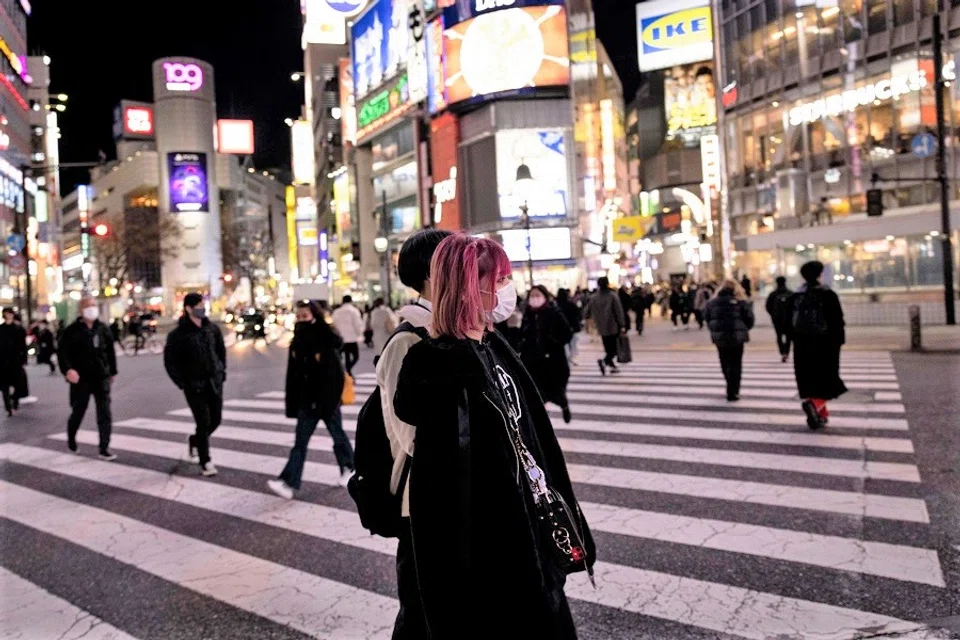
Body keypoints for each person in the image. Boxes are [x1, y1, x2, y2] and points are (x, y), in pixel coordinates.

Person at [392, 234, 594, 639]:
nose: (507, 288)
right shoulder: (436, 365)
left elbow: (532, 439)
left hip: (533, 534)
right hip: (493, 557)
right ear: (470, 286)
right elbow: (442, 486)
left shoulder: (493, 343)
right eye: (498, 280)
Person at [268, 300, 351, 498]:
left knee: (337, 436)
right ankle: (288, 482)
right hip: (307, 401)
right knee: (300, 442)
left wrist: (328, 401)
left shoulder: (324, 338)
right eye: (298, 316)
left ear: (314, 315)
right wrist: (294, 403)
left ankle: (350, 469)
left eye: (305, 316)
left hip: (326, 400)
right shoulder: (297, 340)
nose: (301, 319)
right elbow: (294, 376)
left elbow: (334, 374)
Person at [163, 293, 226, 477]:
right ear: (189, 308)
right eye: (198, 305)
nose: (202, 308)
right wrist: (181, 382)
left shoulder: (212, 329)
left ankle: (195, 440)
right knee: (203, 421)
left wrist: (222, 372)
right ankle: (205, 461)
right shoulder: (179, 334)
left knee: (216, 419)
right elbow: (170, 361)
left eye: (202, 304)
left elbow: (220, 352)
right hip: (194, 385)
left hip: (214, 382)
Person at [59, 296, 118, 460]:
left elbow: (110, 352)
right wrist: (68, 370)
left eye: (93, 305)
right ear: (80, 310)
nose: (91, 308)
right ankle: (71, 438)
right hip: (81, 378)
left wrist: (112, 371)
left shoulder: (103, 328)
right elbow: (63, 354)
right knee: (78, 410)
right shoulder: (71, 331)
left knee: (104, 412)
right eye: (87, 306)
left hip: (101, 376)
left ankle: (104, 447)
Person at [790, 261, 847, 430]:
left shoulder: (797, 295)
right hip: (824, 344)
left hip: (801, 345)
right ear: (820, 274)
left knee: (810, 380)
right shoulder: (828, 294)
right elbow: (837, 321)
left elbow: (788, 321)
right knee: (827, 379)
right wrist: (839, 342)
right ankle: (815, 404)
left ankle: (821, 415)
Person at [520, 285, 574, 423]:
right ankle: (543, 418)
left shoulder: (554, 312)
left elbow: (567, 333)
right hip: (534, 361)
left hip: (553, 361)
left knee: (557, 390)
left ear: (545, 296)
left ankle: (564, 406)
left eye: (538, 295)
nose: (534, 298)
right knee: (538, 392)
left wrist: (553, 342)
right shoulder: (527, 315)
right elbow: (522, 336)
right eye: (532, 295)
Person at [703, 279, 755, 402]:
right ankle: (733, 390)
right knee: (736, 363)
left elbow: (707, 317)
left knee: (724, 361)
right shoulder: (741, 302)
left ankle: (729, 383)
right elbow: (750, 319)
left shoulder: (712, 303)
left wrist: (714, 329)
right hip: (737, 338)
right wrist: (743, 329)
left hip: (720, 337)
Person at [584, 276, 626, 375]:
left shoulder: (594, 297)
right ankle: (604, 362)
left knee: (608, 347)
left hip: (601, 326)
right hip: (613, 326)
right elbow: (618, 311)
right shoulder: (612, 295)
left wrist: (591, 317)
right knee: (614, 350)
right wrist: (622, 324)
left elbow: (586, 312)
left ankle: (612, 366)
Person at [0, 307, 27, 416]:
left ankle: (14, 400)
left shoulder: (18, 329)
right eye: (6, 313)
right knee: (4, 386)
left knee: (18, 384)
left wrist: (23, 358)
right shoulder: (0, 329)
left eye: (10, 313)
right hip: (2, 361)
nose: (9, 315)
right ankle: (8, 407)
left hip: (15, 361)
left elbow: (23, 345)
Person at [332, 295, 364, 376]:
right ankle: (348, 370)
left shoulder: (336, 311)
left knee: (343, 357)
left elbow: (334, 325)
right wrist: (359, 333)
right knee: (355, 357)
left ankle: (346, 371)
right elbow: (357, 324)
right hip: (351, 338)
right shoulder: (354, 311)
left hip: (341, 338)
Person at [765, 276, 795, 362]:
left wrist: (773, 315)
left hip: (777, 319)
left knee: (779, 336)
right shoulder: (790, 293)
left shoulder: (773, 294)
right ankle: (786, 352)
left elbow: (768, 306)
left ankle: (782, 352)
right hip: (789, 319)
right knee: (788, 337)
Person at [556, 288, 583, 362]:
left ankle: (566, 357)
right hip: (572, 326)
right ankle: (571, 357)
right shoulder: (571, 304)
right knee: (572, 342)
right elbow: (578, 313)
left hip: (560, 328)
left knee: (564, 344)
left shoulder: (556, 305)